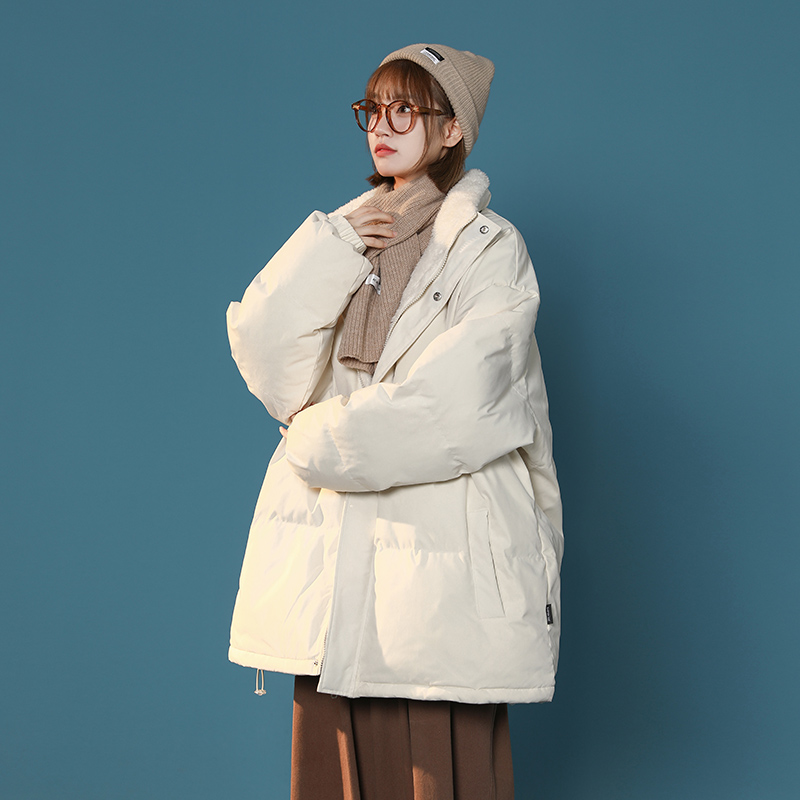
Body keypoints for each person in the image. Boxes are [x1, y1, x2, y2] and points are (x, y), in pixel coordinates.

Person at [226, 43, 563, 800]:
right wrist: (333, 244)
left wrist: (318, 439)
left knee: (437, 773)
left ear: (452, 130)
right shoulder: (350, 235)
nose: (382, 125)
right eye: (372, 109)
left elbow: (460, 401)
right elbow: (270, 361)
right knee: (332, 773)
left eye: (405, 108)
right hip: (336, 566)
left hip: (440, 571)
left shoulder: (491, 248)